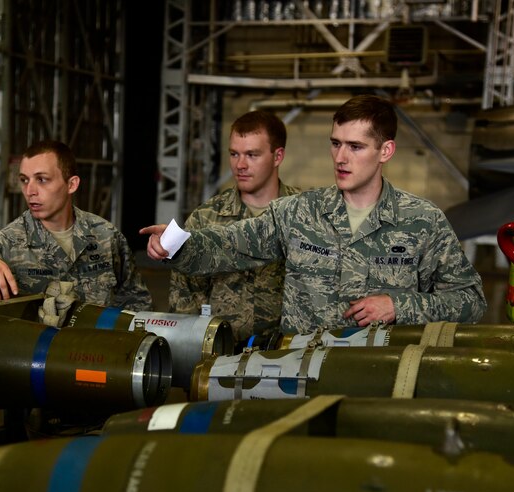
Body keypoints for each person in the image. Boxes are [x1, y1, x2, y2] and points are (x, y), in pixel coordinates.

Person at [141, 94, 486, 334]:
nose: (340, 157)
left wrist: (400, 306)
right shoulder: (298, 212)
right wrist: (179, 244)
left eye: (355, 147)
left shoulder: (422, 221)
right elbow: (231, 243)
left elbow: (470, 301)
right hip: (299, 379)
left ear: (386, 151)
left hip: (379, 380)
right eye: (336, 143)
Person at [0, 139, 152, 311]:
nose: (30, 191)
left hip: (95, 359)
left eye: (42, 179)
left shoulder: (105, 235)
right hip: (39, 363)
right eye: (25, 180)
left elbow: (136, 299)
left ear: (71, 184)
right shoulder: (9, 242)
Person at [169, 110, 301, 342]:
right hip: (220, 355)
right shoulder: (205, 218)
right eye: (234, 154)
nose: (240, 164)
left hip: (289, 355)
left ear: (278, 156)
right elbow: (185, 299)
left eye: (252, 155)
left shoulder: (304, 216)